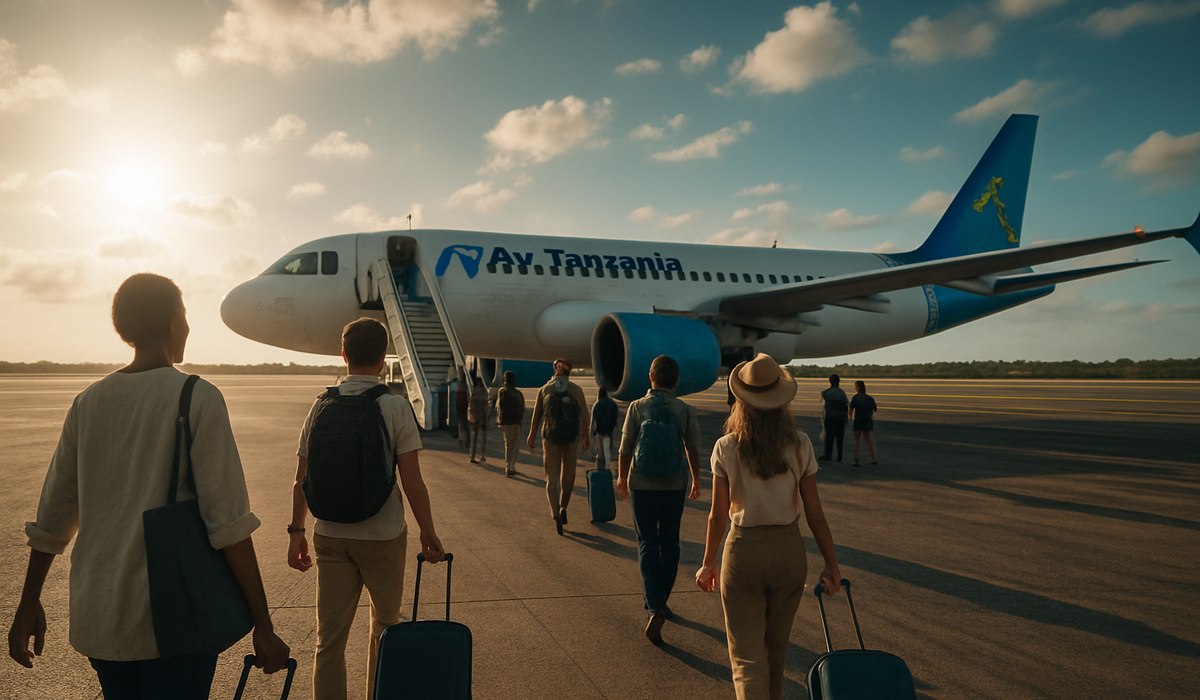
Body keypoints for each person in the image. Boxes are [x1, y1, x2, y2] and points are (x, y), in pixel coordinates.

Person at [6, 273, 290, 698]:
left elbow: (53, 517)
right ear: (176, 320)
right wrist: (263, 625)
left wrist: (28, 603)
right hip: (173, 617)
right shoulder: (197, 396)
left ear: (124, 329)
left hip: (100, 616)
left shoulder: (88, 402)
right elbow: (228, 524)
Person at [287, 317, 445, 700]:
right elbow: (412, 483)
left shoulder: (321, 405)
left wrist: (296, 532)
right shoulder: (394, 407)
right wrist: (428, 531)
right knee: (386, 628)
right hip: (383, 534)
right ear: (382, 357)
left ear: (343, 354)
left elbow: (301, 478)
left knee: (329, 641)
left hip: (330, 535)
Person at [696, 353, 842, 700]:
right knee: (776, 654)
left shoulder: (726, 447)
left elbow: (717, 514)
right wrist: (832, 564)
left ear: (740, 400)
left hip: (743, 551)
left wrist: (708, 561)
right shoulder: (800, 443)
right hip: (788, 552)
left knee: (747, 659)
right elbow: (815, 513)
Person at [616, 355, 702, 645]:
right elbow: (692, 447)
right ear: (675, 380)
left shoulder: (637, 407)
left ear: (650, 376)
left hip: (642, 484)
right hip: (674, 485)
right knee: (670, 542)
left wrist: (621, 478)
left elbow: (626, 446)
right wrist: (698, 479)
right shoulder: (684, 409)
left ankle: (654, 606)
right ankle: (662, 599)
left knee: (646, 544)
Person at [526, 358, 590, 535]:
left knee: (551, 479)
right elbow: (585, 415)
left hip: (550, 438)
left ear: (555, 369)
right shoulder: (576, 390)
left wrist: (531, 434)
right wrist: (585, 436)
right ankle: (563, 506)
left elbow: (537, 415)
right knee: (568, 477)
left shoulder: (545, 389)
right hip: (571, 439)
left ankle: (555, 514)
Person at [495, 370, 525, 477]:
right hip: (516, 421)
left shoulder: (501, 392)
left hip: (506, 422)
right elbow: (522, 407)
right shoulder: (518, 393)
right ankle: (512, 464)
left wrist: (499, 421)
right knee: (515, 444)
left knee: (508, 444)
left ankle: (508, 466)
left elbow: (498, 407)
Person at [819, 373, 849, 462]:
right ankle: (839, 456)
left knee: (829, 438)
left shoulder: (827, 392)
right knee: (840, 438)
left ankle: (828, 455)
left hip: (830, 417)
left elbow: (823, 394)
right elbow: (846, 405)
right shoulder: (842, 393)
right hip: (840, 418)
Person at [849, 380, 879, 466]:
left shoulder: (855, 398)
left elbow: (850, 411)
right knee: (869, 441)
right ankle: (874, 458)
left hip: (858, 421)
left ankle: (856, 459)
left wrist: (850, 419)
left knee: (857, 441)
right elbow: (875, 410)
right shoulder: (870, 398)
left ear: (857, 388)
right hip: (868, 421)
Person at [591, 387, 618, 469]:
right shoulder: (613, 403)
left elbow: (593, 421)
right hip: (609, 431)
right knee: (607, 450)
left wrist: (592, 433)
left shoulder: (597, 404)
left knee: (600, 453)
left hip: (599, 431)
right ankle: (607, 467)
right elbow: (615, 418)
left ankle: (599, 468)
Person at [467, 375, 489, 464]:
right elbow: (486, 403)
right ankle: (482, 455)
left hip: (474, 415)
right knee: (482, 437)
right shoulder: (483, 391)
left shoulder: (472, 390)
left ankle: (472, 455)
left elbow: (470, 404)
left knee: (474, 436)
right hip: (481, 416)